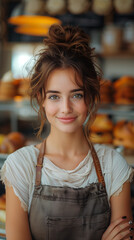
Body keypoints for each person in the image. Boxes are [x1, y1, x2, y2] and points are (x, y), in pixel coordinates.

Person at [0, 24, 134, 240]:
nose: (66, 108)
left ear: (89, 98)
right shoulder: (20, 166)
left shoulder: (113, 165)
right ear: (41, 100)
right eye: (54, 96)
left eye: (76, 95)